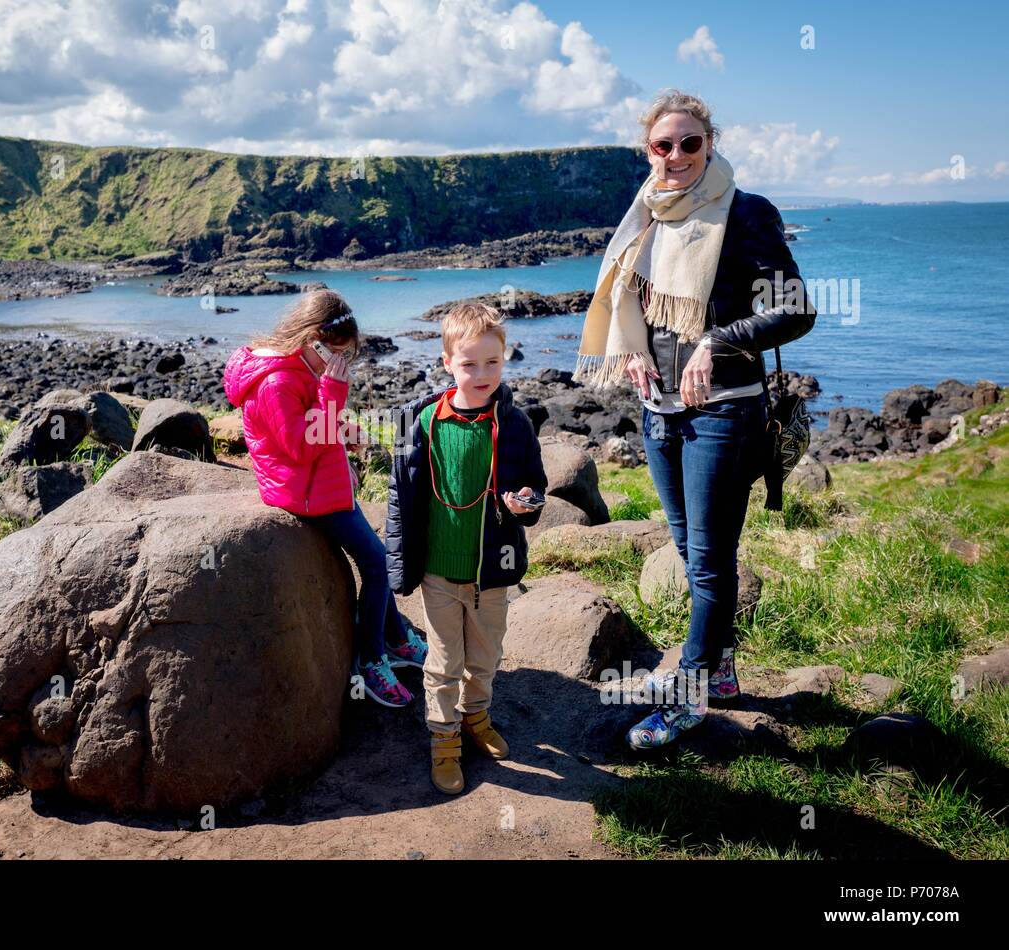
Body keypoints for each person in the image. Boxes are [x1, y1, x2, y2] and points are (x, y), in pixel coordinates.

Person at [573, 89, 816, 749]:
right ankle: (724, 664)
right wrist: (629, 354)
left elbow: (795, 311)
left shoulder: (746, 214)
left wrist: (715, 342)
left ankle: (689, 696)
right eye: (663, 145)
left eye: (690, 143)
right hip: (658, 415)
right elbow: (640, 309)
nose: (677, 155)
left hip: (723, 414)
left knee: (707, 562)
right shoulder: (647, 216)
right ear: (647, 151)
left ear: (711, 143)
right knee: (692, 553)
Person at [223, 289, 427, 708]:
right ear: (311, 338)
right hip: (302, 491)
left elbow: (310, 428)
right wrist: (333, 391)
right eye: (335, 355)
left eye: (345, 357)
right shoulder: (277, 381)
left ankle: (395, 638)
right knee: (376, 563)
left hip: (318, 480)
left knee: (376, 558)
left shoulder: (298, 364)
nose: (340, 364)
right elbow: (298, 446)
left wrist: (341, 435)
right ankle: (371, 661)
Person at [386, 302, 547, 793]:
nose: (482, 374)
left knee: (485, 657)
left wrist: (526, 505)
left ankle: (476, 717)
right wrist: (398, 565)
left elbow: (533, 485)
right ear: (447, 363)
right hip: (437, 571)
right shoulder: (419, 422)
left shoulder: (515, 423)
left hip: (492, 573)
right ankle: (443, 737)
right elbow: (399, 496)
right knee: (441, 662)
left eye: (492, 363)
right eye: (469, 363)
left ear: (505, 359)